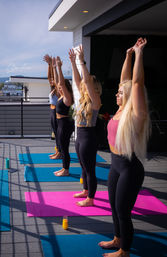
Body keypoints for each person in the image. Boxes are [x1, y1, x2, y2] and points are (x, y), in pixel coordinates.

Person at [98, 38, 150, 257]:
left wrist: (139, 53)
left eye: (120, 93)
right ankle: (117, 239)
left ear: (128, 97)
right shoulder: (120, 110)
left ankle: (124, 251)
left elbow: (135, 84)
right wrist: (127, 56)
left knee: (122, 211)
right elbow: (125, 81)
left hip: (129, 168)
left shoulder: (135, 114)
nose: (116, 94)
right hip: (115, 166)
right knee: (114, 207)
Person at [69, 45, 102, 207]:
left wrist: (81, 61)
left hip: (88, 137)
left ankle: (91, 199)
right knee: (83, 166)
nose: (83, 86)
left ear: (94, 88)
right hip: (80, 137)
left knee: (89, 169)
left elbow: (86, 81)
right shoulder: (82, 100)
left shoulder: (96, 102)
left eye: (87, 85)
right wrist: (73, 63)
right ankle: (85, 190)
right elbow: (77, 81)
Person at [53, 56, 74, 176]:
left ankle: (66, 170)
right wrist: (54, 67)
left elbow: (60, 82)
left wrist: (60, 67)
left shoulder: (67, 98)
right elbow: (57, 82)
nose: (59, 88)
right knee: (62, 146)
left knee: (64, 148)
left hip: (65, 124)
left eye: (61, 87)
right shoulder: (61, 96)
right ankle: (64, 168)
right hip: (61, 123)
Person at [43, 54, 61, 159]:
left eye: (55, 79)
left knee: (58, 134)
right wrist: (49, 64)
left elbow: (55, 78)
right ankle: (58, 150)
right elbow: (50, 77)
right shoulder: (52, 88)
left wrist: (53, 66)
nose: (52, 80)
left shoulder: (58, 89)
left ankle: (60, 152)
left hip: (56, 112)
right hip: (52, 111)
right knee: (55, 132)